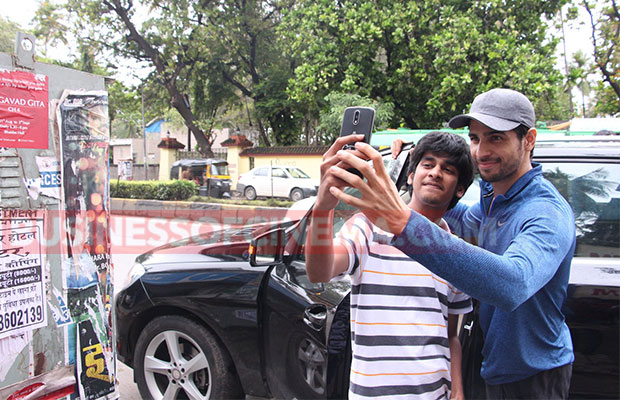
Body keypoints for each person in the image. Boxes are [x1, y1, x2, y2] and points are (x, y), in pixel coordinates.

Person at [329, 88, 576, 399]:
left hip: (534, 375)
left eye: (496, 137)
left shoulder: (545, 212)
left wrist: (401, 222)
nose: (482, 150)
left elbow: (514, 283)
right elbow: (430, 204)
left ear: (529, 140)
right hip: (489, 367)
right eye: (475, 138)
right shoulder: (485, 209)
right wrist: (403, 160)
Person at [306, 131, 475, 399]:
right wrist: (323, 207)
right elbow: (319, 271)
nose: (435, 172)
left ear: (460, 188)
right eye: (428, 164)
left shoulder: (456, 252)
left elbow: (452, 334)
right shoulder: (367, 228)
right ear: (410, 175)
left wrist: (458, 389)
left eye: (448, 169)